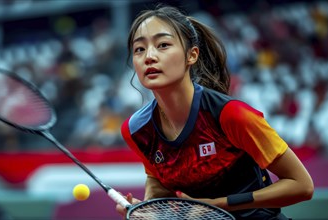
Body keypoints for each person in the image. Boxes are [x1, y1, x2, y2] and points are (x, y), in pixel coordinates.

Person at [116, 5, 314, 219]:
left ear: (191, 55)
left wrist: (216, 205)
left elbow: (301, 185)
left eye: (163, 45)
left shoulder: (231, 115)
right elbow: (160, 190)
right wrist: (147, 210)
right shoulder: (137, 130)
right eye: (139, 49)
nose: (149, 56)